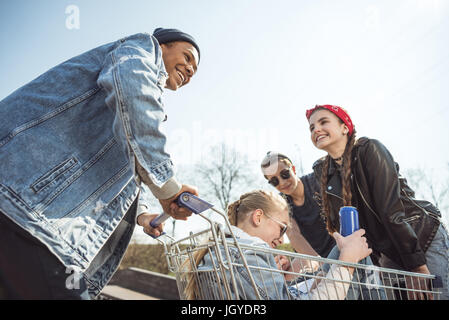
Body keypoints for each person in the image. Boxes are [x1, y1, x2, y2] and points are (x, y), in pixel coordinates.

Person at [0, 27, 201, 299]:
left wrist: (142, 214)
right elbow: (133, 95)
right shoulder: (141, 49)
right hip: (26, 207)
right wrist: (167, 187)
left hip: (34, 213)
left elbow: (122, 167)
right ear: (162, 45)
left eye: (195, 70)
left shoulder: (141, 102)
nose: (190, 70)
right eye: (187, 57)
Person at [306, 104, 449, 300]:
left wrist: (416, 264)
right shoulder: (326, 173)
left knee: (432, 296)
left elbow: (391, 212)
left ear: (344, 128)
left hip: (419, 238)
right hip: (389, 252)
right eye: (311, 127)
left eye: (323, 122)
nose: (316, 129)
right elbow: (351, 231)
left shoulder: (369, 150)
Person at [180, 190, 382, 300]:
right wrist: (346, 263)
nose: (282, 239)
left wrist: (277, 275)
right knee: (351, 249)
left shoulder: (227, 253)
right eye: (282, 228)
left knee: (345, 246)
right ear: (258, 217)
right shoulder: (246, 257)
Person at [260, 152, 335, 258]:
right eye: (274, 181)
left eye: (285, 174)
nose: (282, 182)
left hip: (338, 249)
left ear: (293, 169)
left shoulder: (316, 182)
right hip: (313, 260)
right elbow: (293, 234)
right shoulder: (281, 202)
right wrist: (319, 264)